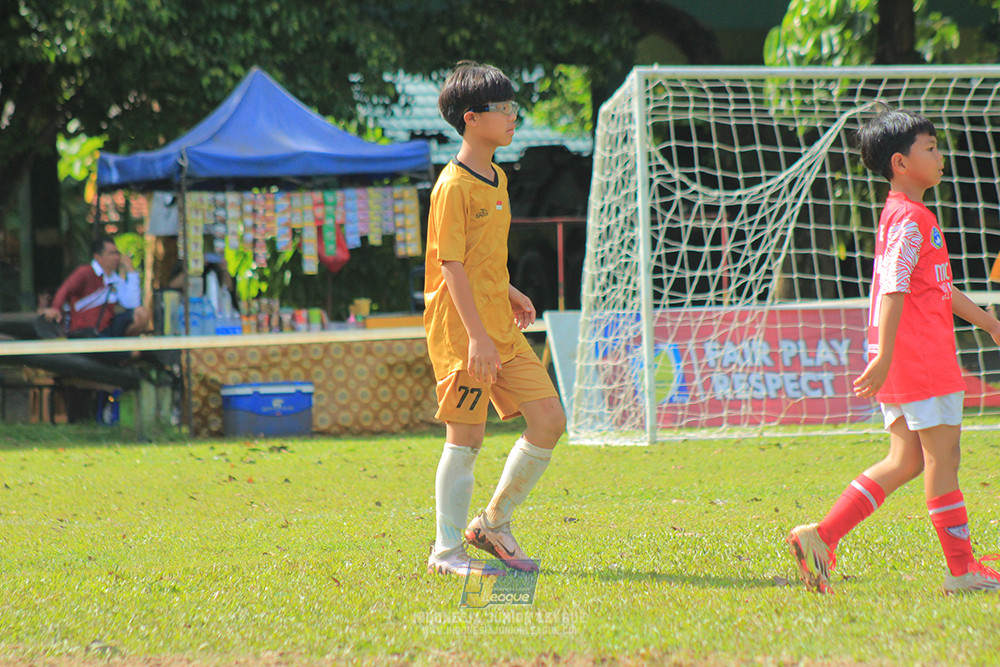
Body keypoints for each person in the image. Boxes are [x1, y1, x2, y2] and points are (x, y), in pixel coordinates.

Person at [787, 107, 1000, 594]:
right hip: (921, 359)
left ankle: (820, 536)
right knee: (943, 460)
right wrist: (883, 355)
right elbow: (894, 288)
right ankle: (963, 570)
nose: (941, 155)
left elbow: (938, 290)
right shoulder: (912, 219)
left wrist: (988, 322)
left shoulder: (901, 215)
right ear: (901, 163)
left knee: (906, 459)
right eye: (931, 147)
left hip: (906, 359)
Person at [423, 61, 566, 576]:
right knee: (466, 441)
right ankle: (445, 553)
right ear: (471, 119)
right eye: (502, 109)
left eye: (512, 107)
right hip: (465, 335)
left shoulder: (499, 176)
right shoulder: (451, 186)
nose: (512, 116)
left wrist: (510, 291)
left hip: (496, 327)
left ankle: (493, 524)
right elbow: (450, 265)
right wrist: (478, 338)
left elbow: (480, 256)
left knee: (550, 420)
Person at [41, 235, 151, 338]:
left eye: (117, 253)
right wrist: (55, 308)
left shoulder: (114, 278)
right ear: (98, 256)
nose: (116, 258)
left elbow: (132, 304)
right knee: (135, 353)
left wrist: (131, 272)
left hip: (108, 327)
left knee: (141, 314)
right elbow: (65, 289)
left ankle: (122, 350)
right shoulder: (85, 272)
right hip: (85, 331)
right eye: (112, 253)